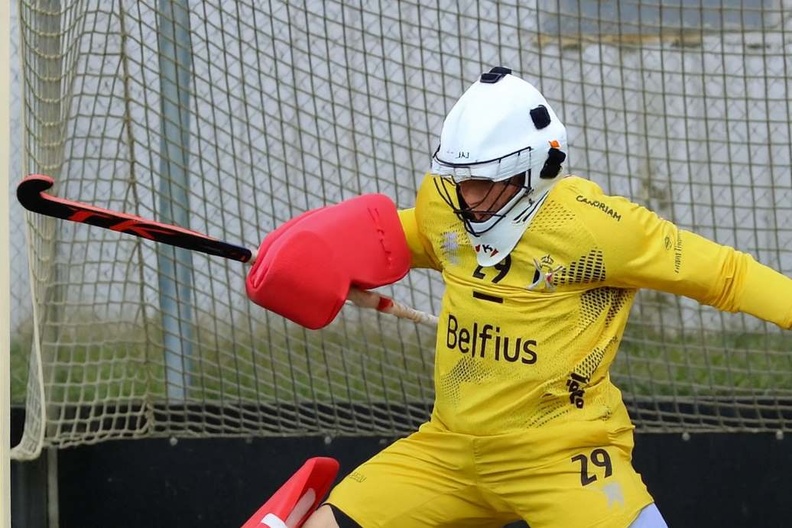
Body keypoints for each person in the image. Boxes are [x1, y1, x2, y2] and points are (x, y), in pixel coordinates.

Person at [249, 67, 792, 527]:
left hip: (561, 457)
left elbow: (728, 275)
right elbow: (413, 238)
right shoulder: (447, 204)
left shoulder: (599, 231)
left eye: (484, 182)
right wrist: (324, 257)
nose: (468, 198)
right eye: (459, 180)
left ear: (535, 168)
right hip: (447, 454)